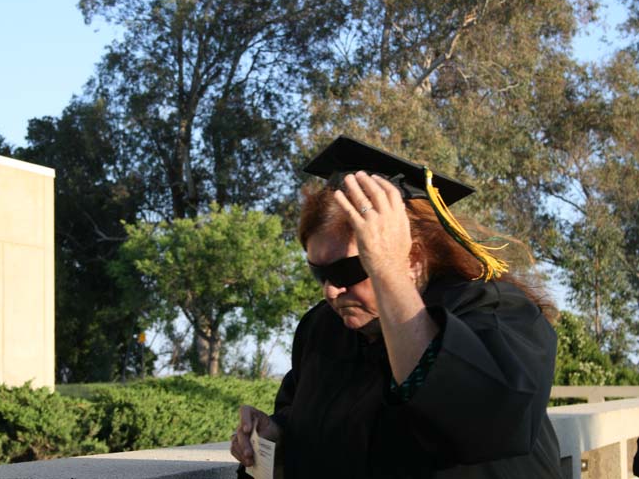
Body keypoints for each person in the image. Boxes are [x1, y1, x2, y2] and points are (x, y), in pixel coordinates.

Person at [230, 136, 562, 478]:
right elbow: (309, 421)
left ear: (412, 257)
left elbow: (482, 424)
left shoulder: (493, 311)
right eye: (319, 273)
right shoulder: (321, 330)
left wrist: (387, 272)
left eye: (348, 270)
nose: (331, 290)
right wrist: (277, 438)